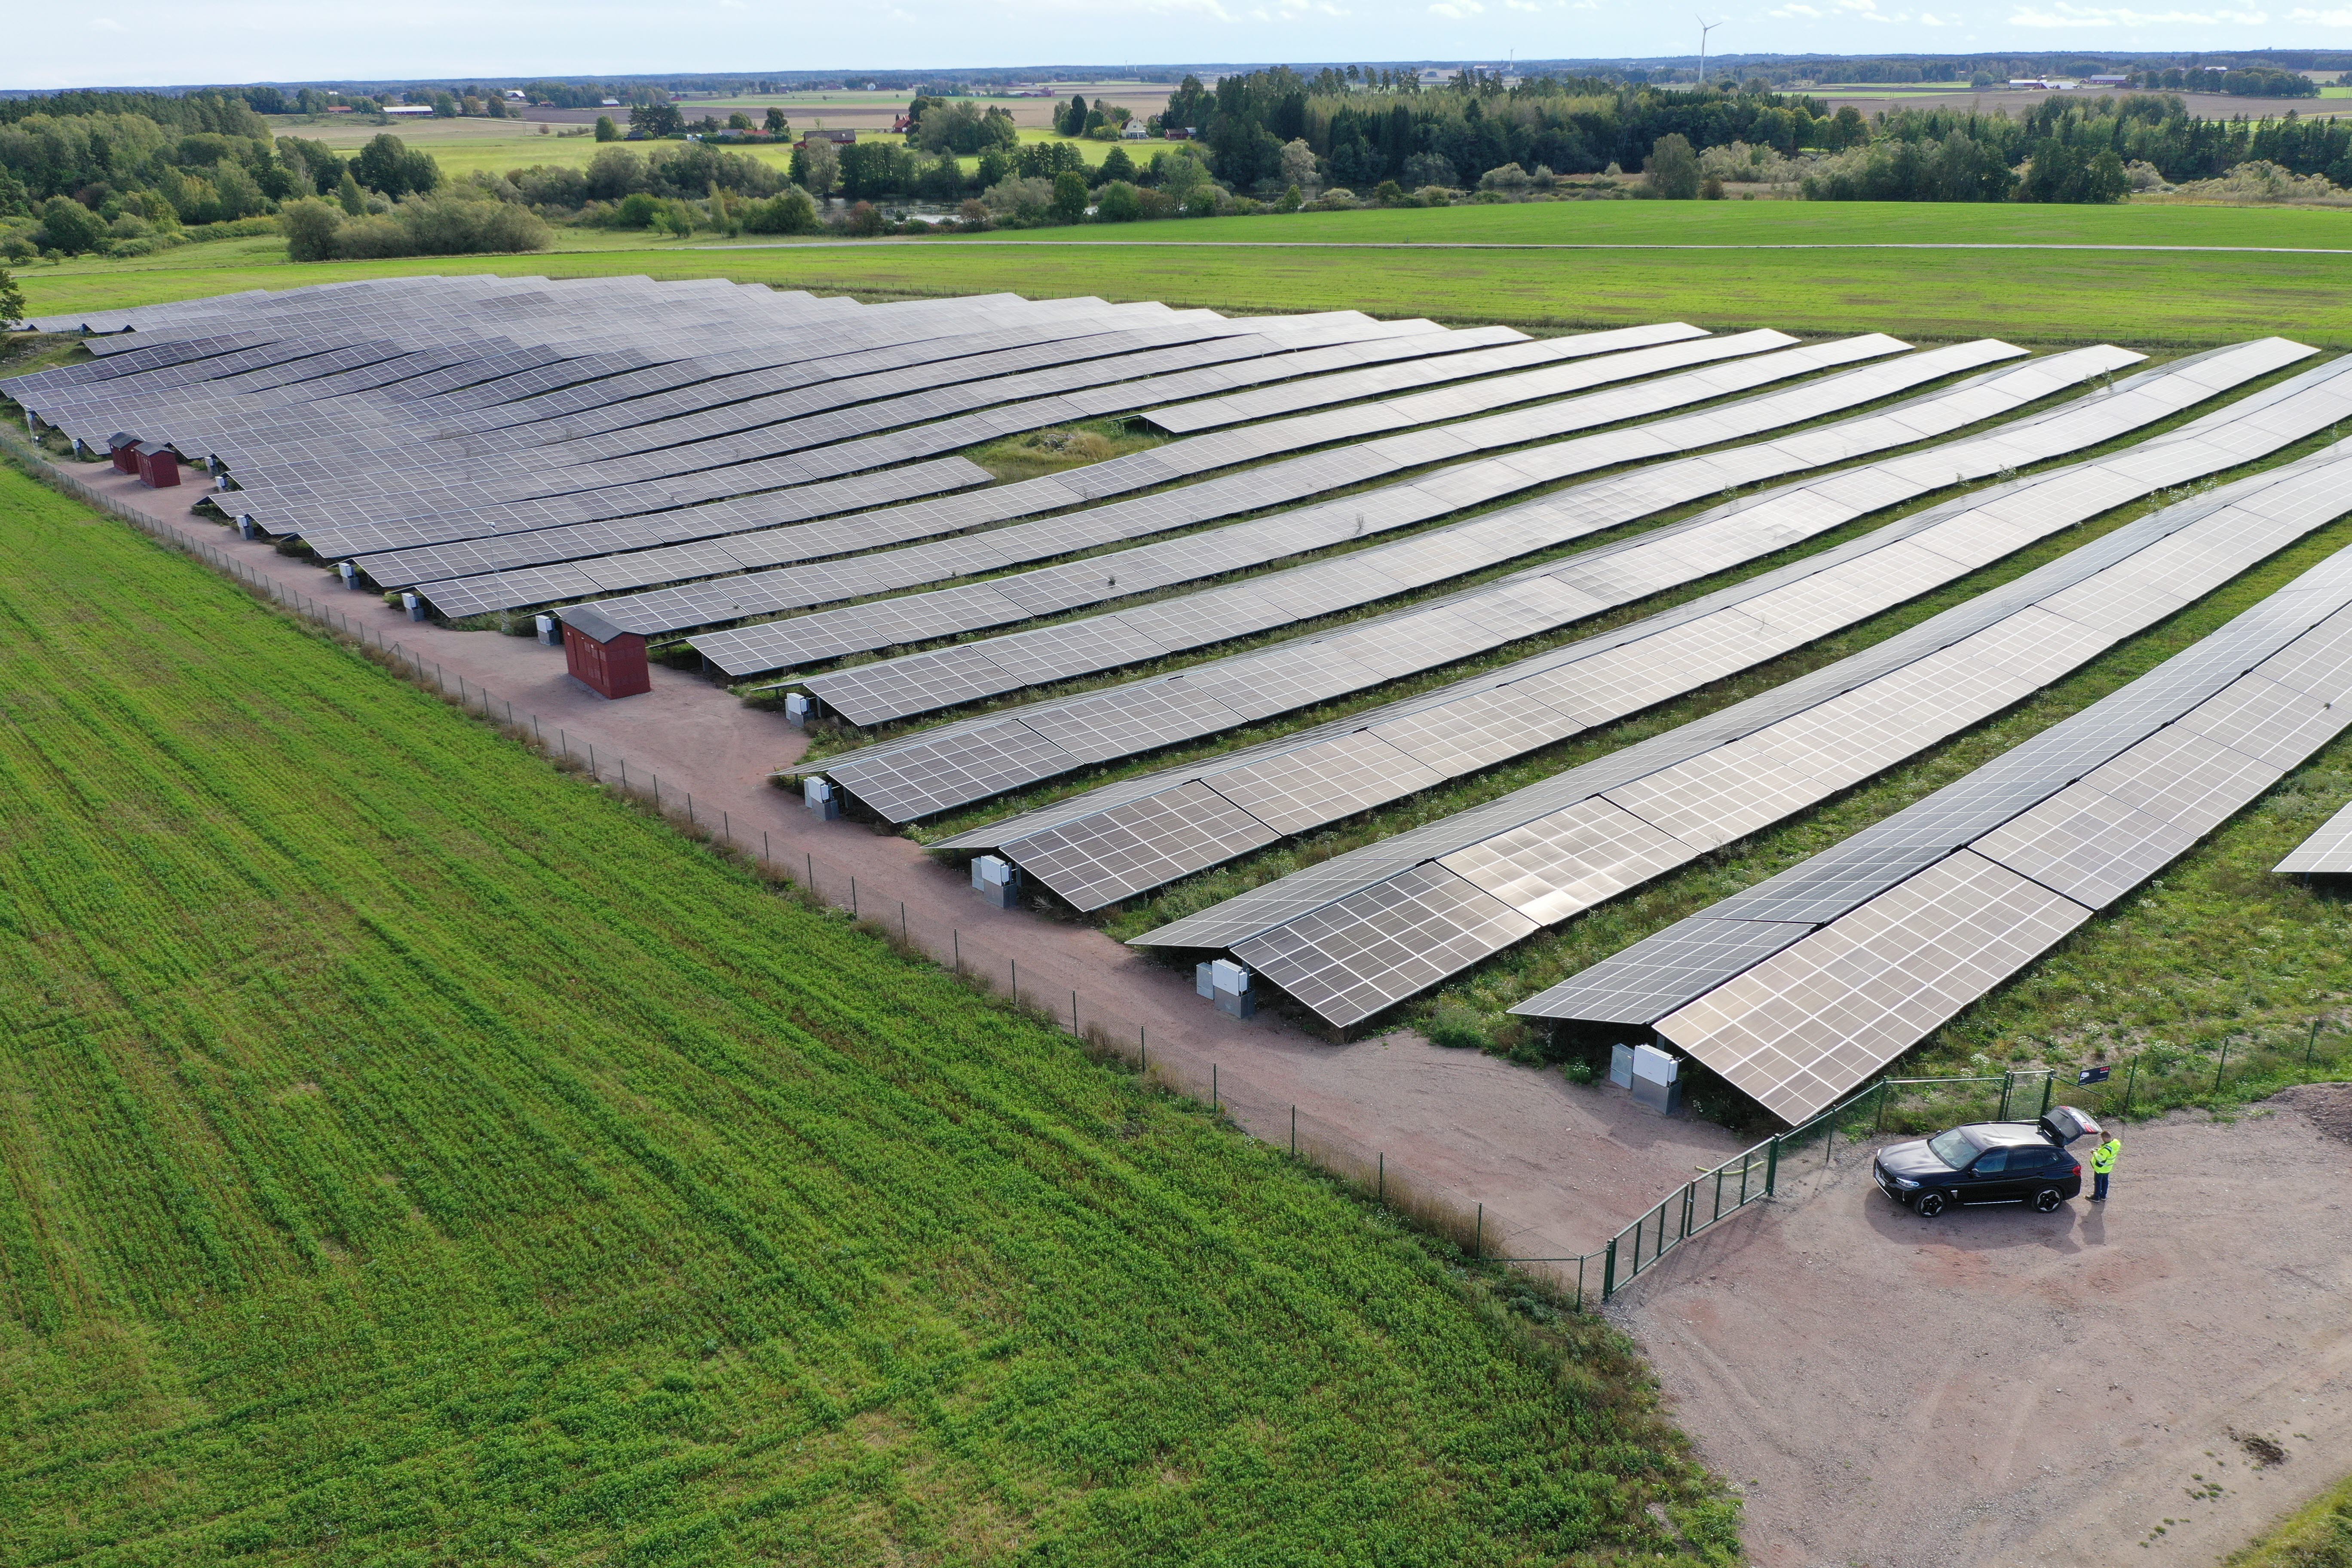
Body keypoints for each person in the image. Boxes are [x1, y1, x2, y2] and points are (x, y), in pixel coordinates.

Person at [2089, 1128, 2121, 1202]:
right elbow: (2106, 1153)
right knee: (2105, 1182)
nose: (2102, 1140)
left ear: (2105, 1138)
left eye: (2102, 1138)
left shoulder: (2107, 1149)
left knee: (2098, 1182)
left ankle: (2096, 1197)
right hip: (2108, 1168)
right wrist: (2099, 1150)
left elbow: (2100, 1158)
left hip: (2101, 1169)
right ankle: (2103, 1196)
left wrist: (2094, 1152)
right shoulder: (2114, 1145)